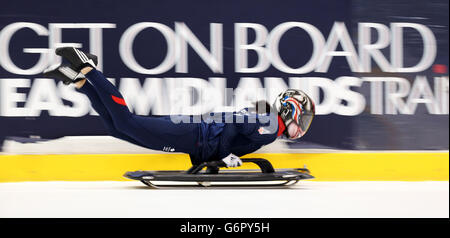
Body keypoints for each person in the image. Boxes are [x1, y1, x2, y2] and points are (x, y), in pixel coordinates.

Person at [43, 47, 315, 167]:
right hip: (192, 133)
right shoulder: (269, 126)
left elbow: (232, 125)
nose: (301, 127)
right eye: (301, 120)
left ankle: (80, 81)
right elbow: (232, 123)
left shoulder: (267, 122)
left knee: (119, 129)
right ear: (290, 111)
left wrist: (219, 156)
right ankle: (87, 66)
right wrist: (223, 156)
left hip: (193, 135)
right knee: (126, 122)